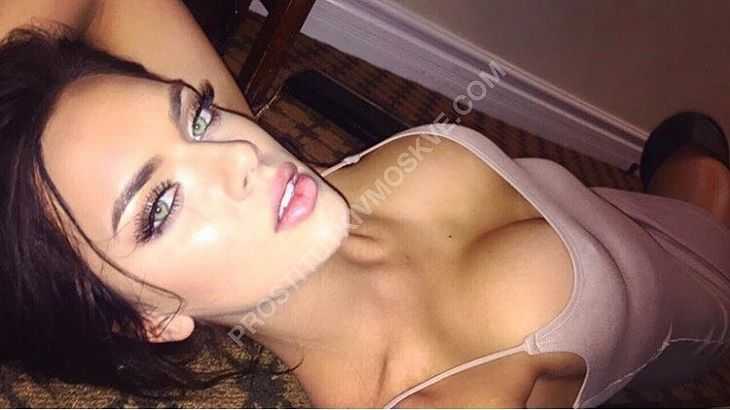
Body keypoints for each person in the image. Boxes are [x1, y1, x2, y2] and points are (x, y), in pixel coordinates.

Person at [1, 1, 729, 408]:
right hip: (702, 314)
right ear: (150, 318)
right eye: (160, 206)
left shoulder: (281, 209)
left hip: (604, 210)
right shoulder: (442, 396)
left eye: (194, 115)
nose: (241, 155)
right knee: (707, 194)